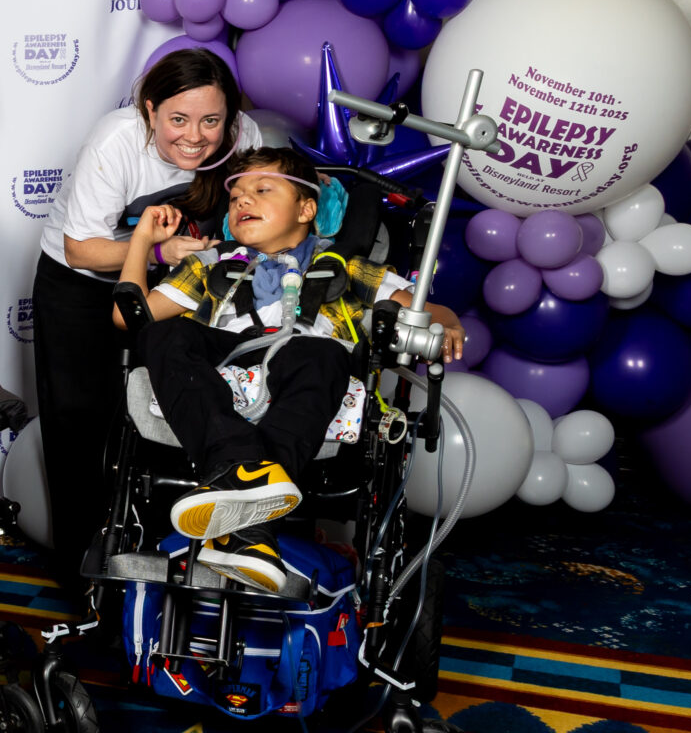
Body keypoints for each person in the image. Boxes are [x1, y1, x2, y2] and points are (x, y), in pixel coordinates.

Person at [120, 147, 466, 593]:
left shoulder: (345, 265)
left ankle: (244, 518)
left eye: (262, 190)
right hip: (224, 355)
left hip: (303, 358)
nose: (243, 201)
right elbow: (129, 317)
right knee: (161, 334)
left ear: (306, 210)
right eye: (235, 197)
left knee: (325, 352)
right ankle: (242, 480)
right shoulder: (209, 263)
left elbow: (426, 310)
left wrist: (448, 323)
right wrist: (142, 241)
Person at [32, 47, 258, 588]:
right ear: (150, 110)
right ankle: (83, 578)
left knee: (167, 417)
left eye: (211, 121)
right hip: (83, 283)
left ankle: (163, 564)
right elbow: (81, 249)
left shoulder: (245, 136)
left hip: (180, 283)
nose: (195, 136)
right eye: (178, 119)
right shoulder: (118, 139)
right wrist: (157, 251)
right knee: (81, 426)